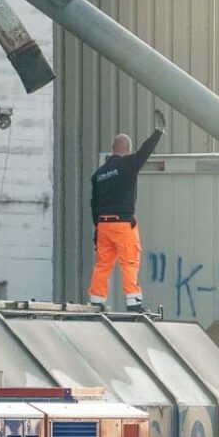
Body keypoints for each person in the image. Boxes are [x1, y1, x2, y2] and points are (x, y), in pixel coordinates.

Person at [89, 108, 166, 312]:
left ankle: (96, 300)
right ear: (128, 149)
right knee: (129, 261)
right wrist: (158, 132)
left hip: (103, 225)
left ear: (112, 149)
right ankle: (133, 302)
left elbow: (94, 204)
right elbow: (144, 152)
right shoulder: (128, 165)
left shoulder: (99, 174)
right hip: (122, 224)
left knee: (103, 264)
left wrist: (97, 230)